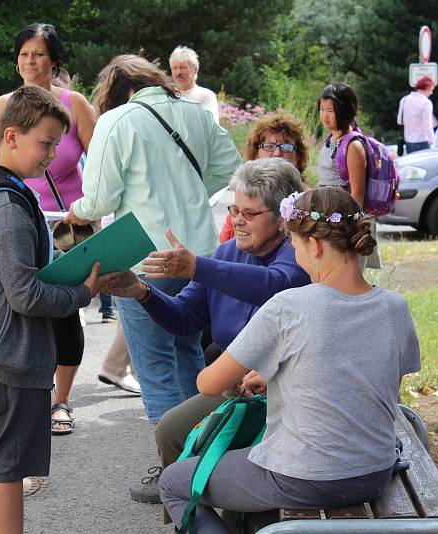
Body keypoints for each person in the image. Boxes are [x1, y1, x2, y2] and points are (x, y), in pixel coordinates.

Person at [159, 187, 421, 533]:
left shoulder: (288, 306)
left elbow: (208, 383)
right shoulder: (394, 307)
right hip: (374, 470)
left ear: (314, 246)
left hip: (304, 476)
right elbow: (374, 380)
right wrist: (279, 377)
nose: (295, 254)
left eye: (294, 246)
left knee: (174, 483)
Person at [0, 85, 115, 534]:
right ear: (10, 137)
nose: (52, 155)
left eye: (57, 144)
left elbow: (17, 271)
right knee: (8, 469)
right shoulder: (5, 207)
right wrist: (84, 292)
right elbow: (25, 295)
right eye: (44, 143)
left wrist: (64, 264)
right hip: (7, 358)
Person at [105, 159, 310, 506]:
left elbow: (276, 284)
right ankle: (194, 519)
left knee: (231, 453)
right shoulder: (227, 254)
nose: (237, 221)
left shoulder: (300, 253)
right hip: (236, 386)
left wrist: (197, 266)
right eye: (234, 209)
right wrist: (142, 292)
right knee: (172, 430)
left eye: (250, 213)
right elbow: (184, 318)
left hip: (290, 390)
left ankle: (227, 511)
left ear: (280, 219)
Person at [64, 53, 240, 423]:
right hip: (197, 255)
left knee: (155, 365)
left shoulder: (117, 120)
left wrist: (76, 212)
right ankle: (199, 454)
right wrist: (188, 193)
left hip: (144, 257)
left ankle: (171, 466)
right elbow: (229, 166)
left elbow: (100, 199)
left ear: (123, 89)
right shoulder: (196, 113)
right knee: (189, 352)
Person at [0, 23, 98, 435]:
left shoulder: (75, 104)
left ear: (54, 61)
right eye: (24, 54)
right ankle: (23, 391)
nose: (30, 62)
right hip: (15, 222)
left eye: (39, 54)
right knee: (18, 304)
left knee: (66, 310)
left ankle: (60, 400)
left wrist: (89, 210)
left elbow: (100, 167)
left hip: (69, 223)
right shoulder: (1, 108)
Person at [317, 83, 381, 269]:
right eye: (321, 109)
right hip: (329, 217)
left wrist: (346, 229)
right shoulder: (330, 139)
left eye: (331, 110)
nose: (324, 115)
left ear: (345, 110)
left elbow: (357, 195)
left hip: (346, 223)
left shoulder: (352, 145)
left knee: (349, 275)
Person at [219, 111, 310, 241]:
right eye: (269, 146)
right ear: (256, 152)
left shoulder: (308, 200)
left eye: (286, 147)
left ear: (298, 155)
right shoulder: (243, 198)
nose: (277, 153)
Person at [169, 45, 220, 124]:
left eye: (183, 67)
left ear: (195, 70)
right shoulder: (166, 95)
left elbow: (211, 126)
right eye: (175, 68)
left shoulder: (205, 96)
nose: (178, 72)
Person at [397, 76, 436, 153]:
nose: (432, 92)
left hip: (408, 141)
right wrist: (434, 143)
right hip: (422, 141)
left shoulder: (404, 99)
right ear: (427, 88)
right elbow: (427, 126)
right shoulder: (426, 103)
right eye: (432, 89)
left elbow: (399, 121)